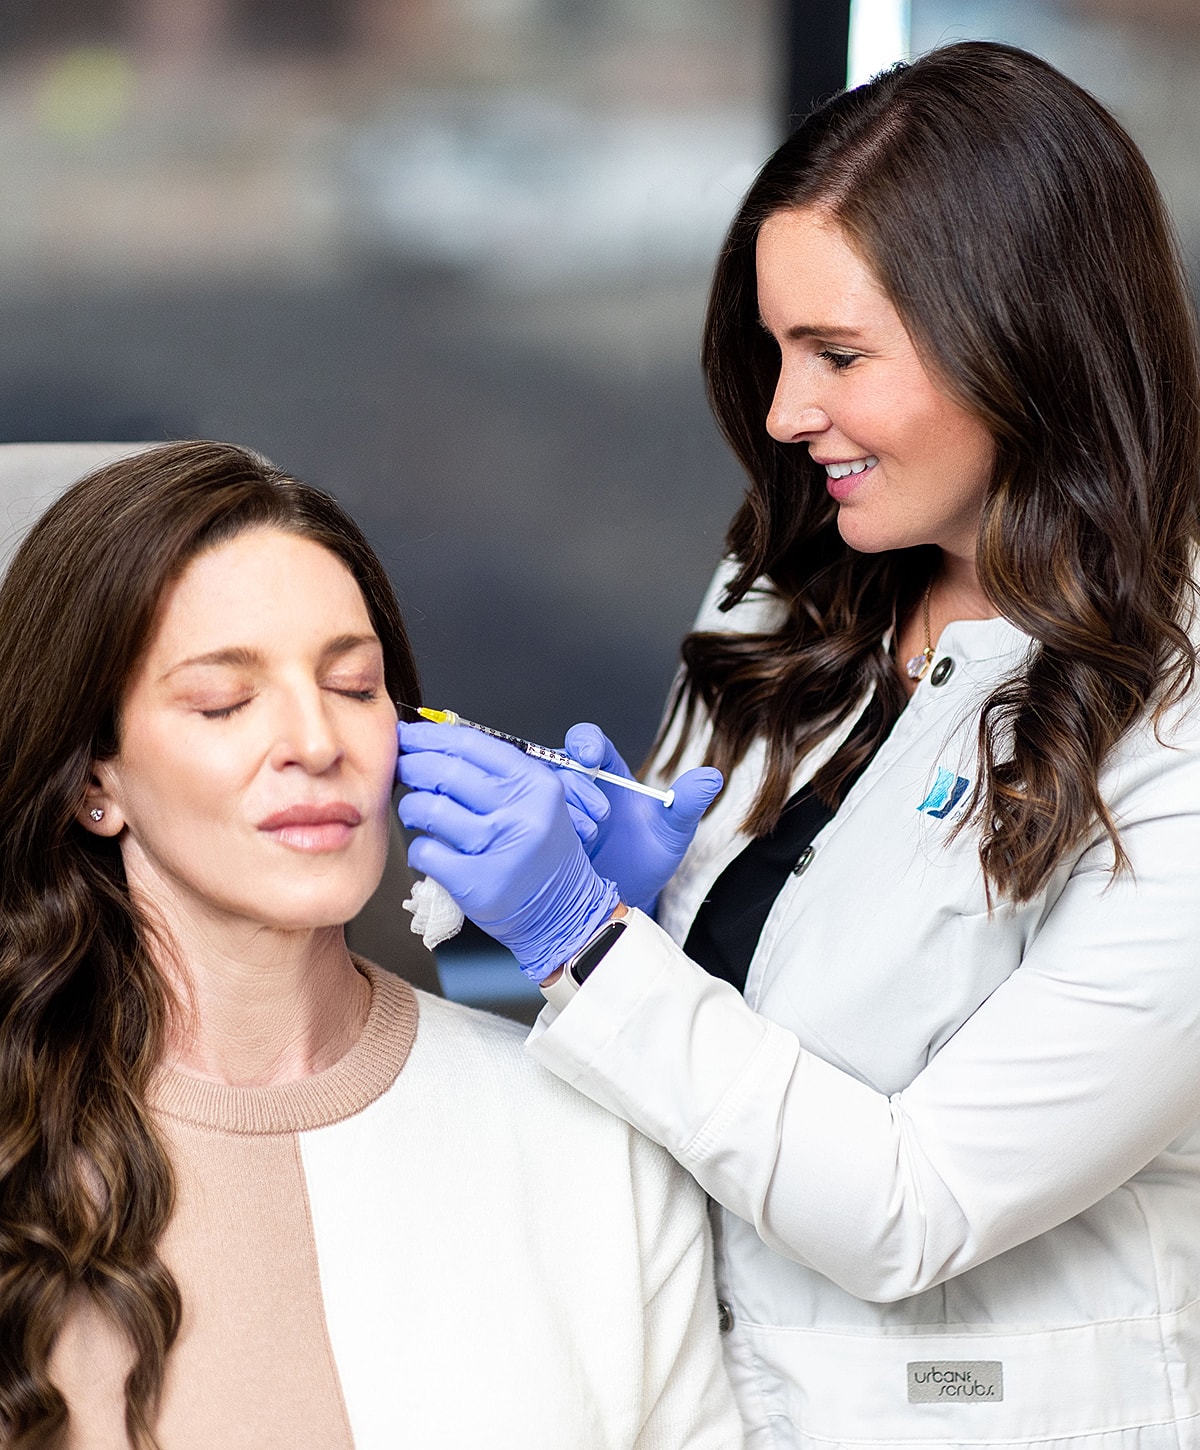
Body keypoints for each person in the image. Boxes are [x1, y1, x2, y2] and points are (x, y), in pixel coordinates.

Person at [396, 41, 1200, 1449]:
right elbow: (684, 1042)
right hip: (685, 1380)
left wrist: (589, 940)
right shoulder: (787, 588)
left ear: (1024, 340)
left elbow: (916, 1204)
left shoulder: (1172, 719)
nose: (783, 414)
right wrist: (635, 907)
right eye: (775, 350)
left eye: (837, 355)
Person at [0, 440, 742, 1449]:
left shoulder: (587, 1141)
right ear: (96, 780)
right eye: (225, 701)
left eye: (353, 686)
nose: (318, 742)